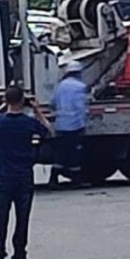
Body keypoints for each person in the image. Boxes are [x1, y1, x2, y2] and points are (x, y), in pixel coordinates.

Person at [0, 86, 53, 259]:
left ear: (7, 100)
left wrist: (2, 105)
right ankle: (20, 255)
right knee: (22, 218)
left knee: (1, 218)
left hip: (3, 176)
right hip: (24, 175)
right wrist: (37, 109)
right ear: (23, 101)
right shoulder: (28, 123)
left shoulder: (0, 121)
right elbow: (48, 130)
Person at [50, 60, 88, 188]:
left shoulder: (60, 86)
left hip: (61, 124)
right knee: (74, 153)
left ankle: (53, 180)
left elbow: (53, 103)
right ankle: (76, 180)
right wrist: (83, 125)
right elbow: (81, 107)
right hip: (74, 124)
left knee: (60, 152)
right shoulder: (80, 87)